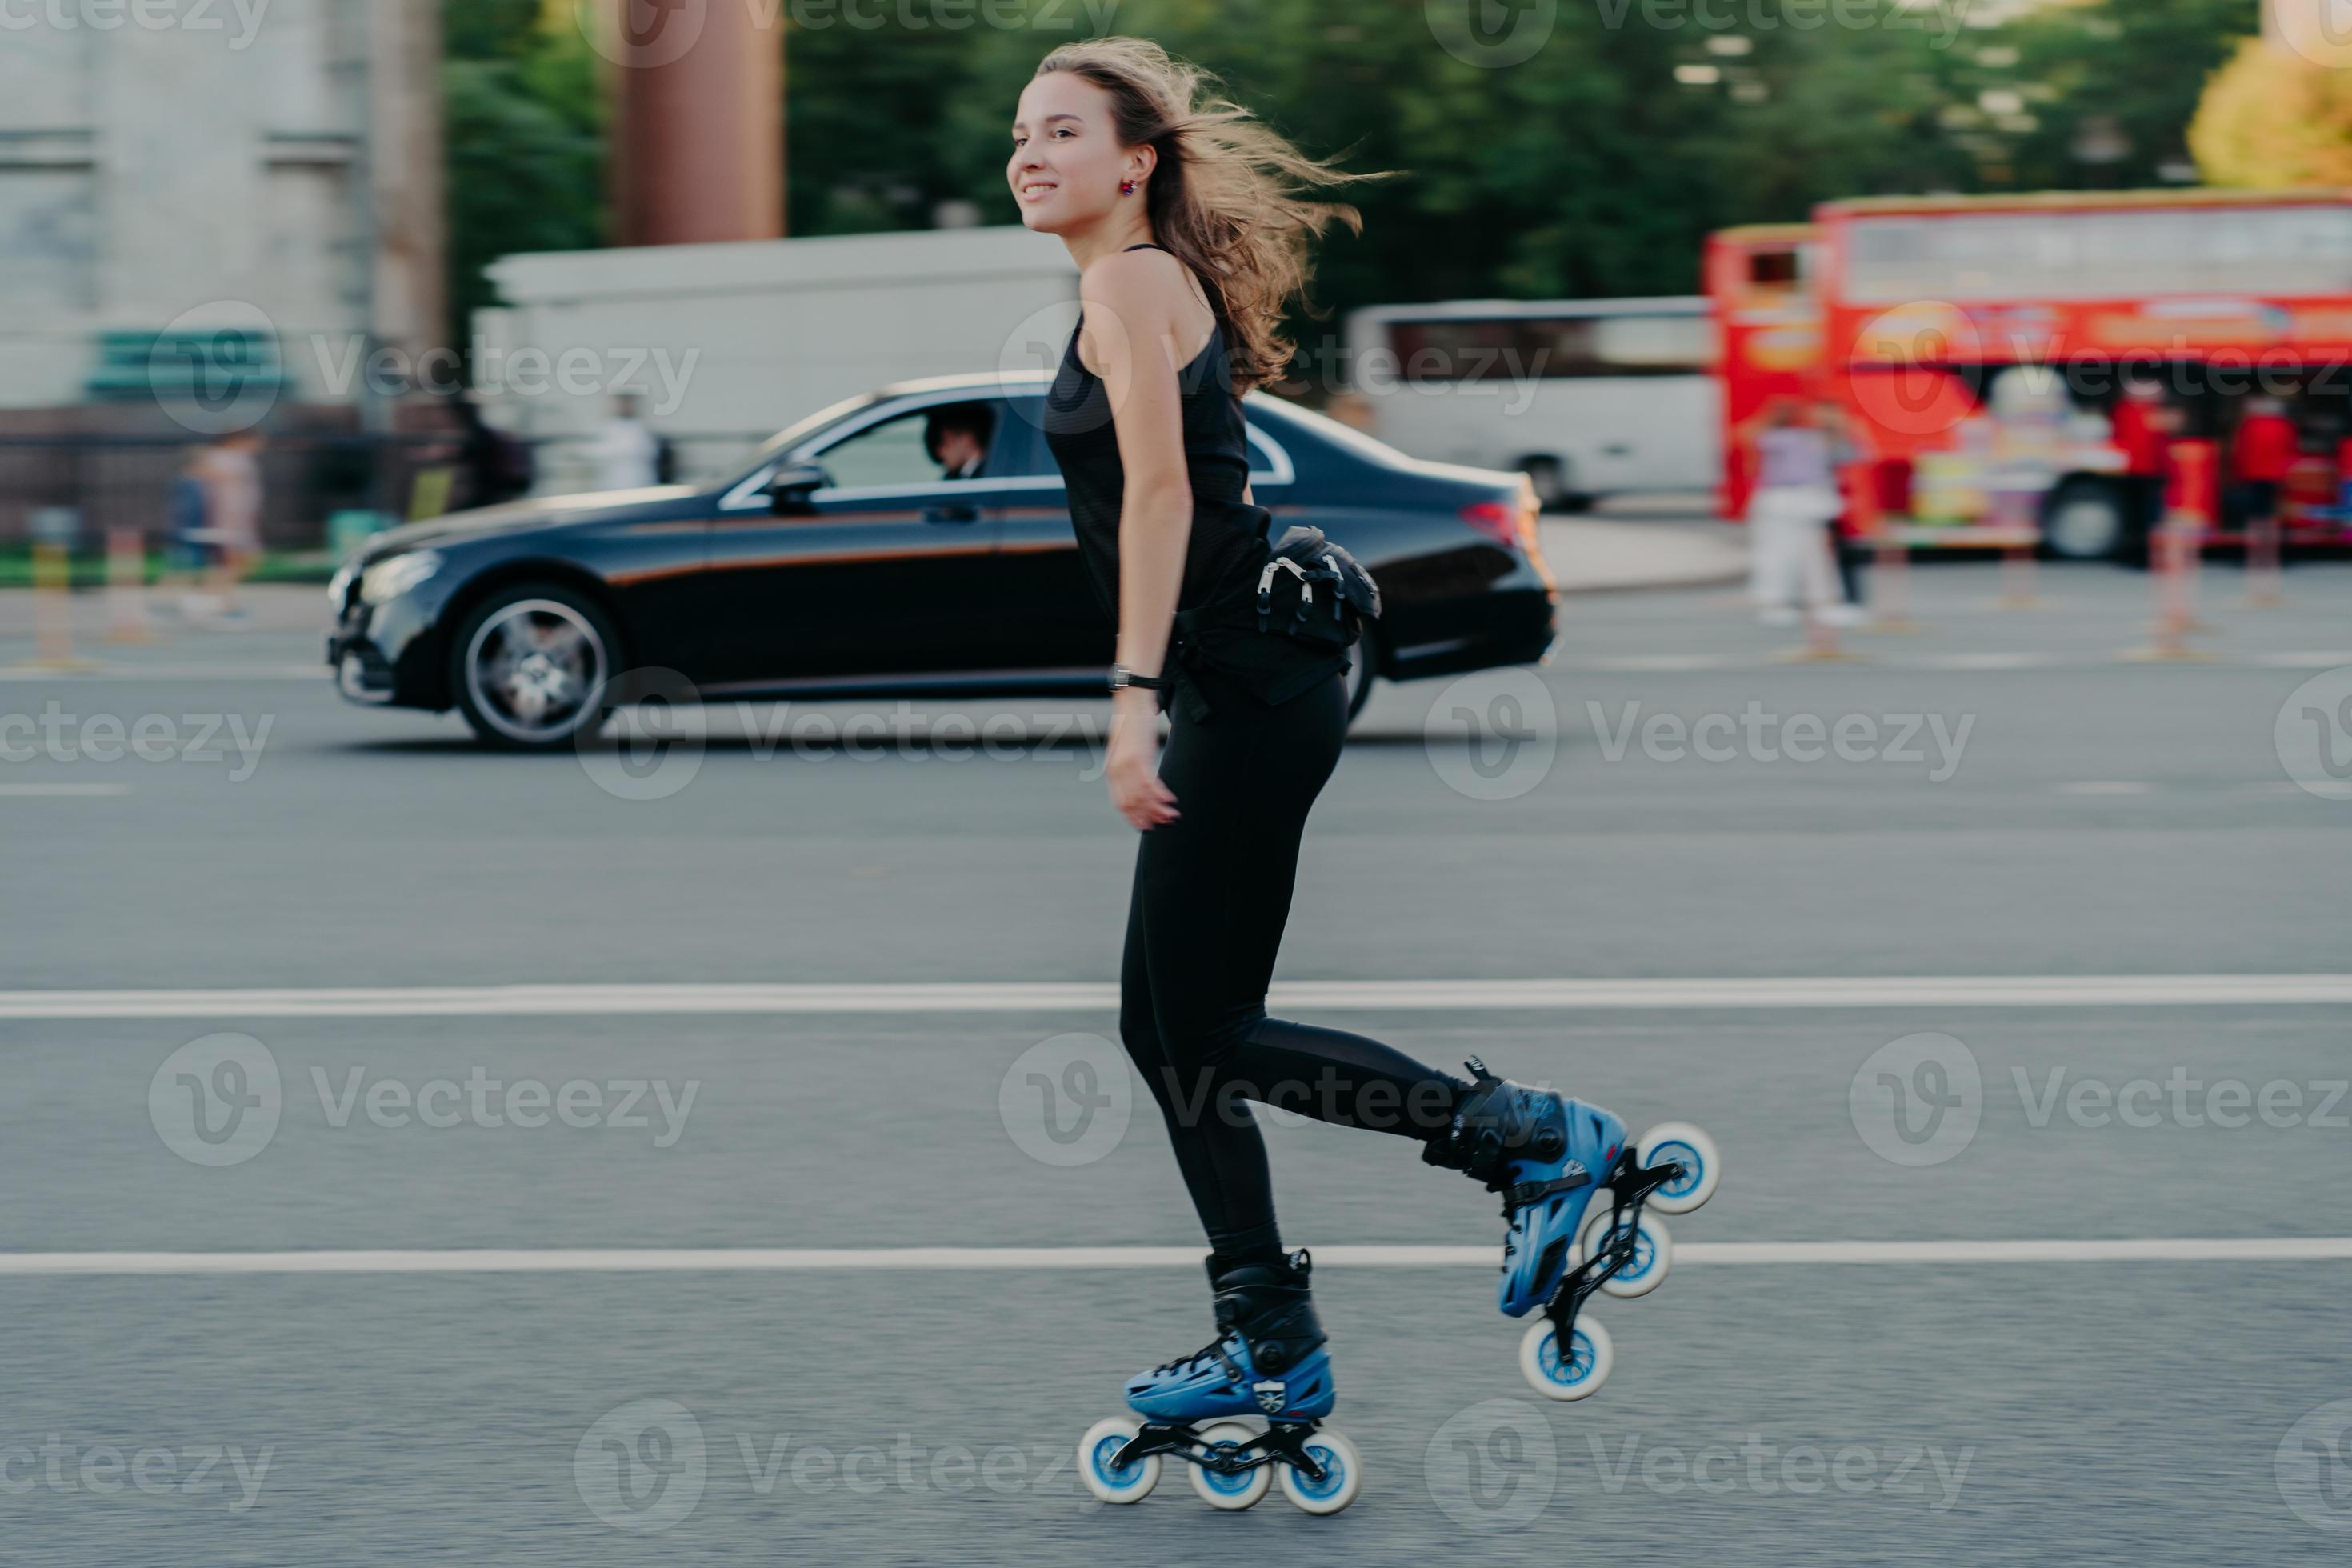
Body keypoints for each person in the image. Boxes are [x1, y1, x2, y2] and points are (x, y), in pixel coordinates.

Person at [1015, 37, 1674, 1472]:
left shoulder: (1129, 281)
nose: (1028, 153)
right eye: (1021, 133)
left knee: (1207, 1034)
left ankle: (1529, 1140)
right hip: (1251, 675)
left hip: (1243, 680)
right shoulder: (1117, 284)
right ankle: (1272, 1332)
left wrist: (1129, 697)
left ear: (1135, 161)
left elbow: (1159, 504)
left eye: (1061, 130)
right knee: (1172, 1034)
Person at [1734, 396, 1858, 627]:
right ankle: (1778, 602)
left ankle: (1817, 602)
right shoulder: (1773, 438)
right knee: (1778, 555)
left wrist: (1835, 423)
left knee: (1813, 556)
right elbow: (1746, 435)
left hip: (1806, 500)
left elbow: (1851, 451)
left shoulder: (1817, 438)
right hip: (1782, 500)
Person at [189, 430, 264, 625]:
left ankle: (216, 598)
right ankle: (221, 602)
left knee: (241, 561)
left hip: (240, 520)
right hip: (228, 519)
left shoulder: (239, 459)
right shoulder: (223, 458)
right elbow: (198, 471)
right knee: (232, 561)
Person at [2110, 375, 2176, 555]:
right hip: (2146, 471)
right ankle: (2143, 552)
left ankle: (2140, 550)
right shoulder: (2148, 412)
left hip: (2137, 471)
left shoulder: (2124, 411)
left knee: (2139, 513)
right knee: (2146, 514)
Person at [589, 392, 662, 492]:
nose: (624, 407)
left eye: (627, 403)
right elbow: (601, 451)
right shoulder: (609, 427)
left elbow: (641, 451)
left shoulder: (641, 428)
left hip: (638, 482)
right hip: (613, 484)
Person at [924, 404, 994, 480]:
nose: (941, 453)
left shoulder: (988, 475)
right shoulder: (957, 476)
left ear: (966, 438)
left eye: (944, 443)